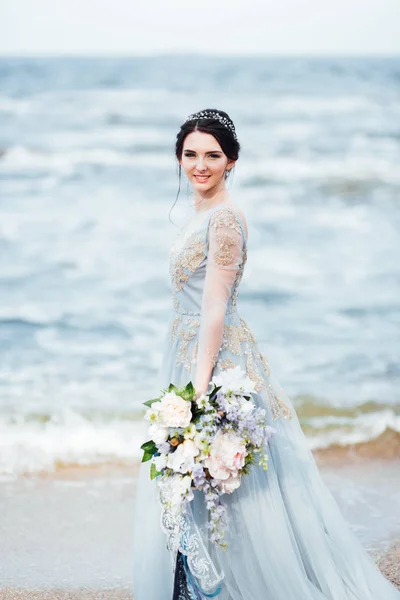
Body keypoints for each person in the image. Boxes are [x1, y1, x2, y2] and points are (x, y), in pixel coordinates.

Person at [132, 109, 400, 599]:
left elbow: (214, 308)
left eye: (212, 155)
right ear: (178, 159)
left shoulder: (227, 219)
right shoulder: (200, 215)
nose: (200, 164)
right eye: (190, 154)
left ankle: (225, 585)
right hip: (187, 351)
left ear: (231, 161)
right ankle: (195, 582)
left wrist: (198, 388)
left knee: (225, 476)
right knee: (195, 474)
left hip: (215, 360)